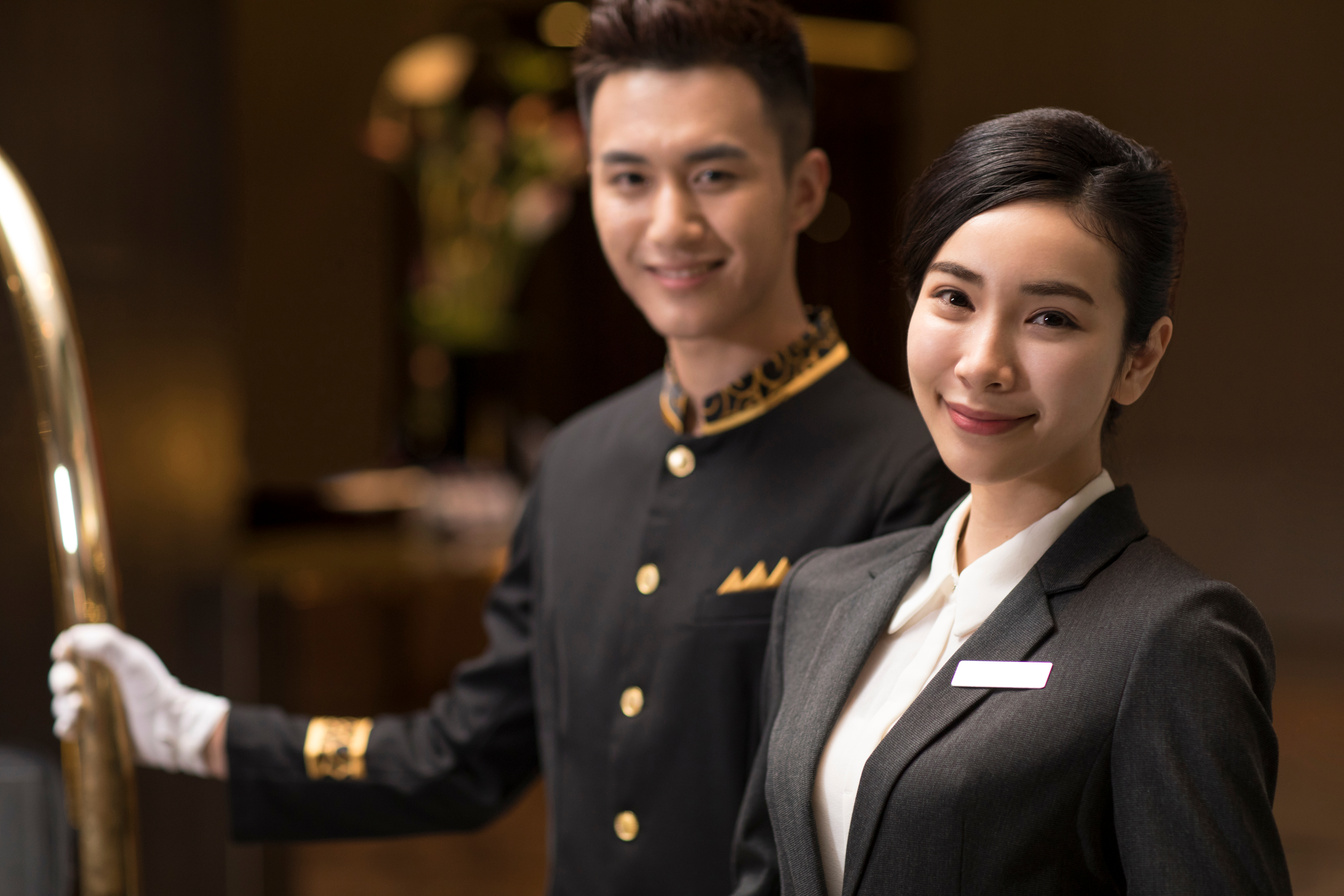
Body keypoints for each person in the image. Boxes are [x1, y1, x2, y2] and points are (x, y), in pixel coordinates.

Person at [49, 2, 964, 894]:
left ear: (803, 187)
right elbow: (462, 757)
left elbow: (914, 826)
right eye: (628, 178)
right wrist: (193, 729)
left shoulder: (909, 475)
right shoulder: (575, 464)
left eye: (715, 175)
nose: (669, 223)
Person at [731, 107, 1292, 896]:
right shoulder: (820, 596)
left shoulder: (1172, 639)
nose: (983, 363)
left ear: (1140, 357)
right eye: (954, 299)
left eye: (1050, 319)